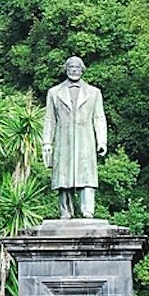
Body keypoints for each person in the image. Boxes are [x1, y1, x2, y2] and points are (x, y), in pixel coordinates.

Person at [43, 56, 108, 219]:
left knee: (86, 176)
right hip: (63, 139)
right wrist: (47, 142)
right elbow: (50, 119)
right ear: (66, 69)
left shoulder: (94, 93)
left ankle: (88, 210)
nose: (74, 70)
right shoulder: (54, 92)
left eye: (77, 67)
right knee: (63, 177)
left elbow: (99, 118)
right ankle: (65, 211)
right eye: (71, 67)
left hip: (85, 139)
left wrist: (102, 141)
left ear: (82, 70)